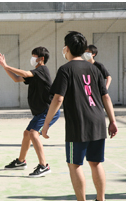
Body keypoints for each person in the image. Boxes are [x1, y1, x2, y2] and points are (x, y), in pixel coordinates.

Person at [41, 31, 118, 201]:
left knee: (75, 165)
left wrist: (46, 124)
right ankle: (100, 198)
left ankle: (81, 200)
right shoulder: (94, 68)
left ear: (66, 48)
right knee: (96, 163)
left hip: (79, 123)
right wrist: (112, 121)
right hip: (98, 121)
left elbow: (58, 98)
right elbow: (106, 96)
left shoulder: (65, 70)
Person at [0, 47, 60, 178]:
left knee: (34, 134)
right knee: (26, 134)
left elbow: (25, 73)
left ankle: (44, 165)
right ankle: (20, 161)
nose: (32, 58)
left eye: (34, 55)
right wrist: (4, 66)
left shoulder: (42, 70)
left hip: (48, 112)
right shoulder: (36, 73)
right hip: (40, 112)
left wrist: (7, 65)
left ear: (41, 58)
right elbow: (17, 78)